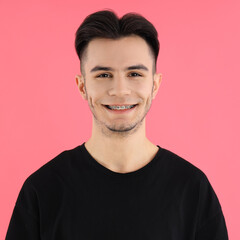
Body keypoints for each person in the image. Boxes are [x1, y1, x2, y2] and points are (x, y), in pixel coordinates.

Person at [6, 10, 228, 240]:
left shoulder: (192, 190)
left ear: (155, 84)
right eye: (103, 75)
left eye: (134, 73)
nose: (120, 90)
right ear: (82, 86)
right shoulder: (43, 190)